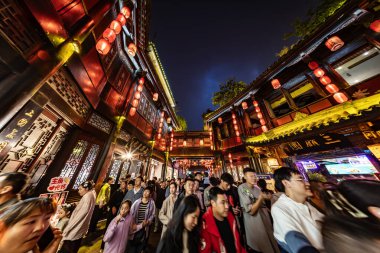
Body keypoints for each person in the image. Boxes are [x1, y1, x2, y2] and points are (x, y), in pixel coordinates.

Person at [271, 167, 324, 253]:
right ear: (286, 183)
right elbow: (294, 238)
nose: (307, 184)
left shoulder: (308, 204)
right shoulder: (279, 208)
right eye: (300, 179)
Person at [238, 168, 279, 253]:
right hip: (255, 223)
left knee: (271, 243)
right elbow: (251, 211)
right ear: (245, 177)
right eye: (251, 176)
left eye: (255, 176)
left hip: (265, 221)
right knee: (260, 245)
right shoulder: (242, 188)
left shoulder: (257, 189)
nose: (254, 178)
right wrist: (260, 198)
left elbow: (263, 205)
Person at [200, 187, 246, 253]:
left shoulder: (230, 216)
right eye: (222, 203)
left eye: (227, 202)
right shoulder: (205, 224)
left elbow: (238, 245)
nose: (227, 206)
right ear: (213, 203)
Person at [60, 181, 96, 253]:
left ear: (87, 189)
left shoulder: (87, 197)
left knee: (68, 249)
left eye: (80, 189)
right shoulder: (91, 194)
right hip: (80, 229)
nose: (78, 191)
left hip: (75, 229)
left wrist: (67, 230)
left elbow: (80, 215)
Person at [128, 187, 156, 253]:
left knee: (141, 243)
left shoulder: (152, 203)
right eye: (144, 191)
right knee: (133, 243)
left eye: (147, 192)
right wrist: (132, 224)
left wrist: (148, 221)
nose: (145, 193)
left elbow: (153, 214)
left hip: (144, 227)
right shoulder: (137, 202)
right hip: (135, 225)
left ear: (150, 194)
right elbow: (131, 213)